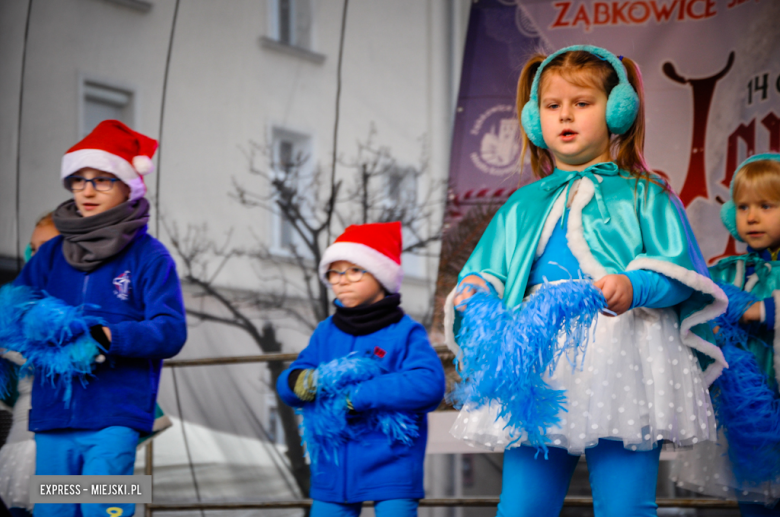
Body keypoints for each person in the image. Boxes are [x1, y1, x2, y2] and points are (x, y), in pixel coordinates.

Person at [444, 45, 727, 517]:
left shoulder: (646, 194)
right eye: (553, 106)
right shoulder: (522, 203)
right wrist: (476, 293)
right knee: (520, 507)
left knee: (625, 506)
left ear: (619, 110)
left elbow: (683, 274)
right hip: (539, 356)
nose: (565, 116)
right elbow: (487, 269)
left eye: (582, 103)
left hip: (624, 351)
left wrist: (636, 286)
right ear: (535, 119)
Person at [13, 119, 187, 517]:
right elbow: (15, 314)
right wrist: (36, 325)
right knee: (53, 514)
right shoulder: (51, 254)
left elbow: (172, 330)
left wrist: (111, 335)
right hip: (54, 417)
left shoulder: (150, 256)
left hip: (115, 417)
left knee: (103, 510)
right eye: (79, 180)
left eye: (103, 179)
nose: (87, 190)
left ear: (130, 186)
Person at [276, 221, 445, 517]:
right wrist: (302, 382)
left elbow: (428, 383)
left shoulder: (406, 332)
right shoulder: (325, 332)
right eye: (334, 271)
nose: (341, 280)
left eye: (354, 270)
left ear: (380, 276)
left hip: (392, 465)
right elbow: (290, 383)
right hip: (333, 470)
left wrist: (359, 396)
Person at [671, 153, 780, 516]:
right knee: (756, 498)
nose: (751, 216)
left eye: (766, 205)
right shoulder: (728, 271)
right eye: (743, 206)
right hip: (746, 413)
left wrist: (759, 310)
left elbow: (757, 312)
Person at [0, 212, 57, 517]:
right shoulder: (15, 304)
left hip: (69, 440)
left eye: (46, 247)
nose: (36, 257)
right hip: (26, 441)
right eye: (33, 249)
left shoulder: (86, 303)